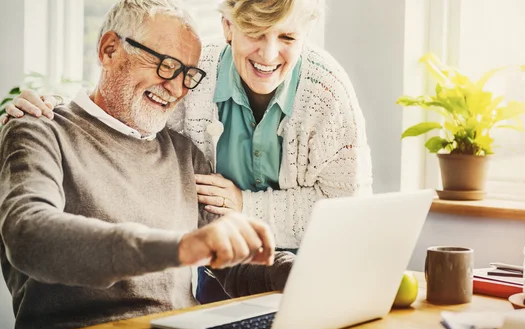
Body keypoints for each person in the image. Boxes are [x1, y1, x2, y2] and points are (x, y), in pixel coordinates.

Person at [4, 0, 373, 303]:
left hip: (182, 328)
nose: (177, 88)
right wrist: (182, 247)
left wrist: (299, 272)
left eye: (188, 74)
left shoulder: (183, 153)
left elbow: (233, 262)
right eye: (164, 65)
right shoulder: (39, 129)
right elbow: (30, 237)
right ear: (109, 50)